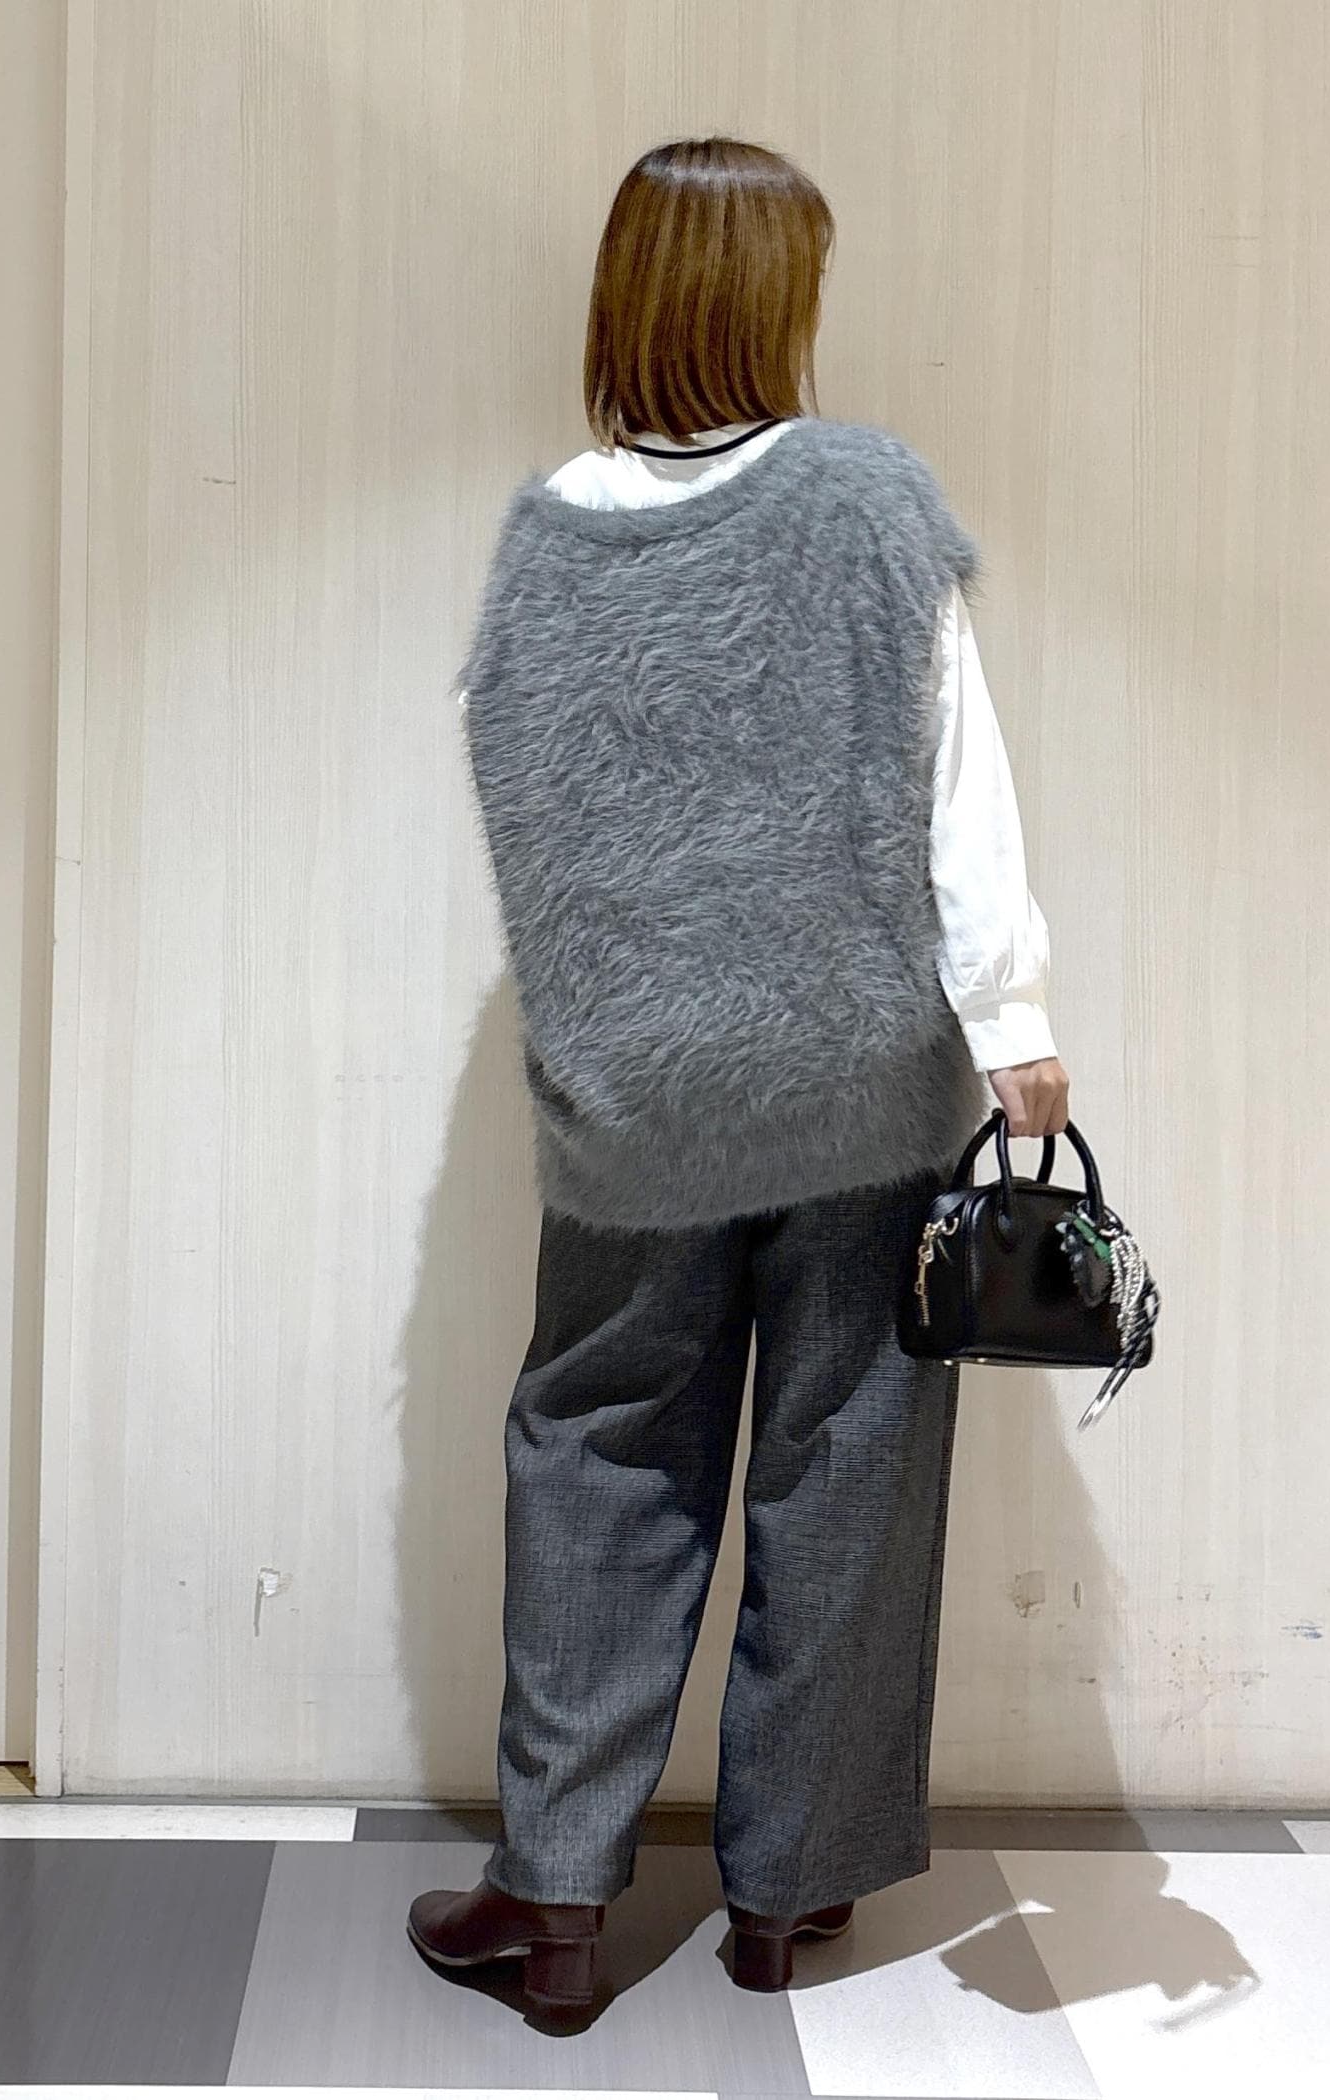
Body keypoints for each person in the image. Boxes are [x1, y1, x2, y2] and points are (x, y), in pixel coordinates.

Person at [407, 134, 1069, 2022]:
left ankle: (554, 1900)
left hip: (640, 1103)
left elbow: (525, 812)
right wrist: (1011, 1018)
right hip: (859, 1075)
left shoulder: (551, 527)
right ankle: (786, 1896)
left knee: (598, 1447)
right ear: (776, 300)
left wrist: (609, 1031)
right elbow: (955, 770)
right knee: (846, 1454)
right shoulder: (868, 494)